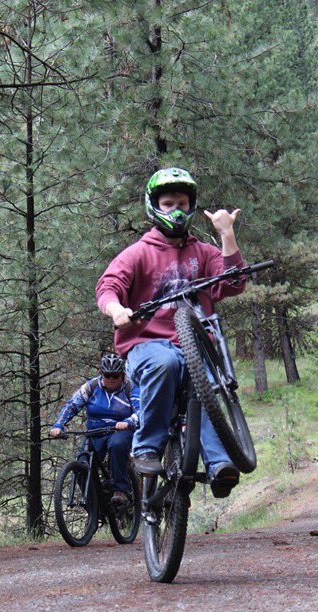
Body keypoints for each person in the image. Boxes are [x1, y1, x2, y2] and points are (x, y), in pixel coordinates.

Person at [96, 167, 248, 499]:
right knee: (164, 364)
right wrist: (117, 310)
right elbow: (108, 287)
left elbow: (235, 282)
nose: (176, 210)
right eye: (168, 203)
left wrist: (226, 234)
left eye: (181, 202)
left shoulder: (203, 253)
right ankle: (146, 449)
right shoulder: (138, 253)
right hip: (146, 345)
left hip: (196, 345)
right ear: (154, 206)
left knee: (205, 384)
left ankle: (220, 464)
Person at [49, 353, 139, 507]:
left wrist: (128, 421)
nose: (111, 379)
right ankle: (94, 504)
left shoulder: (130, 388)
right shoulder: (91, 387)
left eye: (115, 376)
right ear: (101, 373)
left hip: (120, 430)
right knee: (81, 465)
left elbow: (142, 411)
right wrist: (58, 425)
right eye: (107, 375)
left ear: (122, 375)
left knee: (117, 445)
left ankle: (121, 490)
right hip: (95, 432)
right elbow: (72, 405)